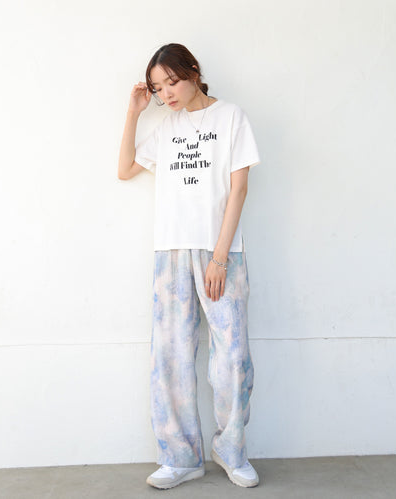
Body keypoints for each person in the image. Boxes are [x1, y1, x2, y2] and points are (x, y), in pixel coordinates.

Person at [118, 43, 261, 489]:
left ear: (194, 71)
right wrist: (134, 112)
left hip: (222, 252)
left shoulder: (231, 117)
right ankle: (180, 458)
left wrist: (219, 257)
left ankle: (232, 450)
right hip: (171, 253)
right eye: (158, 88)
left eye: (172, 82)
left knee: (232, 358)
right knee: (171, 356)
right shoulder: (166, 127)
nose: (167, 93)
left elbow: (238, 190)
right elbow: (125, 169)